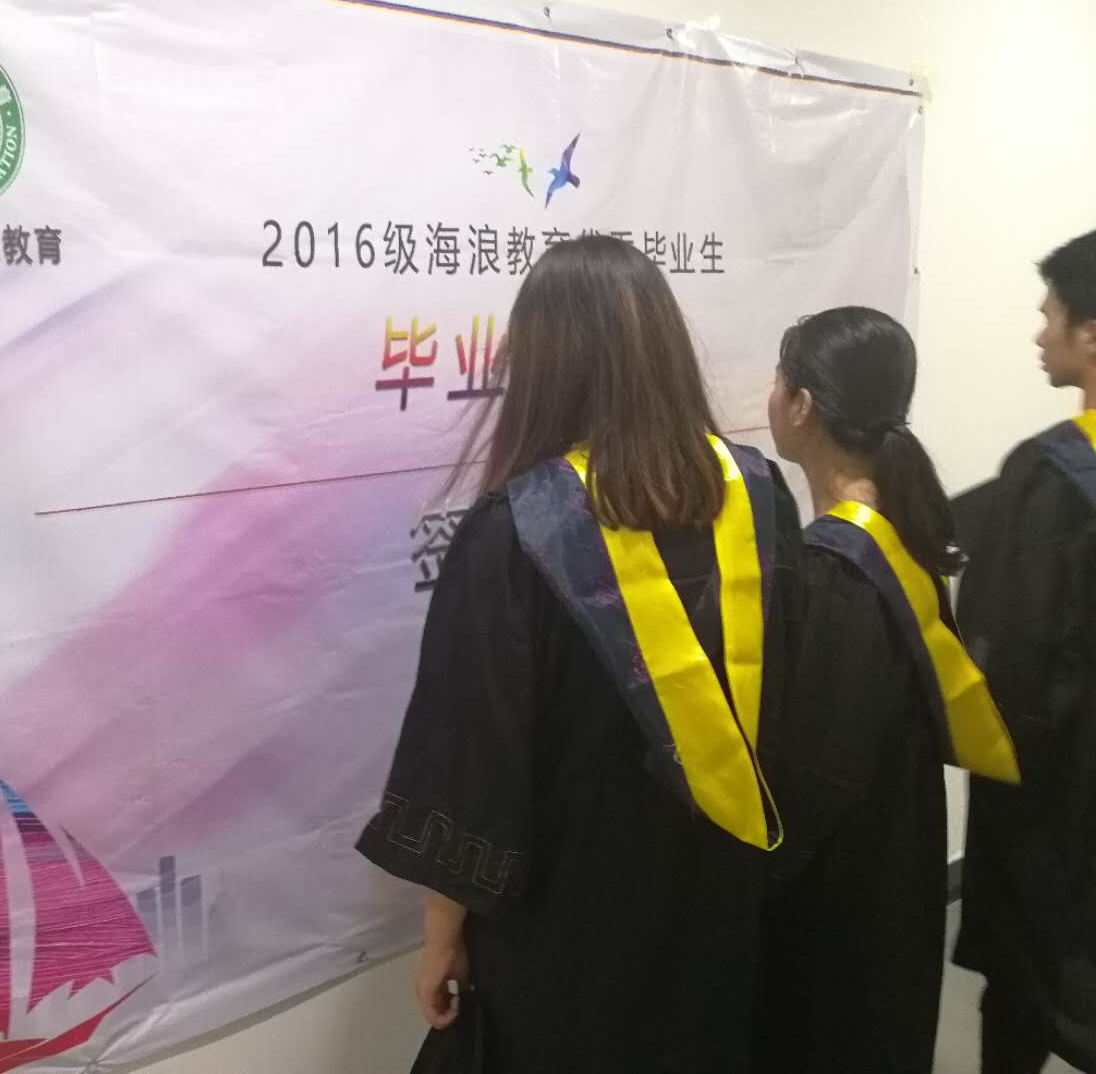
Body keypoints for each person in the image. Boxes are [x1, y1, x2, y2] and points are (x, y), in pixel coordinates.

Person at [355, 235, 801, 1073]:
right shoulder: (760, 495)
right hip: (718, 893)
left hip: (568, 920)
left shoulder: (516, 533)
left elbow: (472, 762)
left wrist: (442, 933)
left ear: (544, 365)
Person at [755, 307, 1019, 1074]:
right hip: (893, 855)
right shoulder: (898, 530)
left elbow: (817, 774)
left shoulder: (836, 571)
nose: (771, 395)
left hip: (841, 897)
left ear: (802, 406)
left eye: (779, 379)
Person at [954, 229, 1096, 1074]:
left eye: (1052, 316)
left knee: (1027, 984)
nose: (1040, 335)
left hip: (1058, 802)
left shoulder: (1052, 478)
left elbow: (1008, 661)